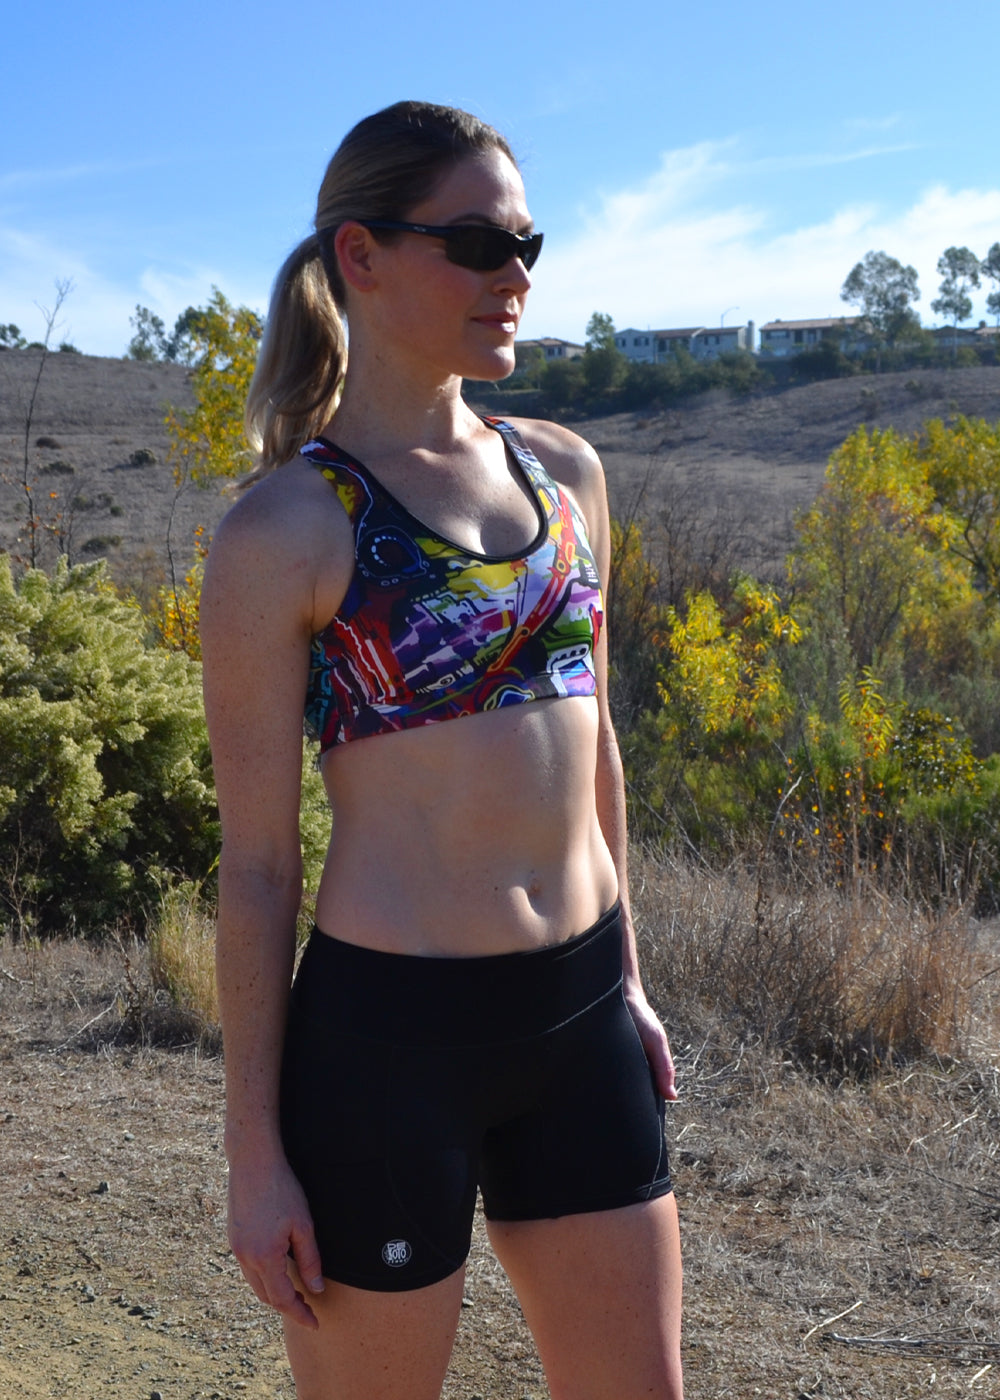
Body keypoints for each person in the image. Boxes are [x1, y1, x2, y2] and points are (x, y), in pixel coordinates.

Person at [200, 100, 684, 1400]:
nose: (513, 274)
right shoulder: (285, 532)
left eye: (527, 243)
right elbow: (256, 867)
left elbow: (596, 750)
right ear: (359, 256)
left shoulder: (567, 474)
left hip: (581, 1016)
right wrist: (255, 1155)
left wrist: (631, 980)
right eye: (475, 244)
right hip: (387, 1048)